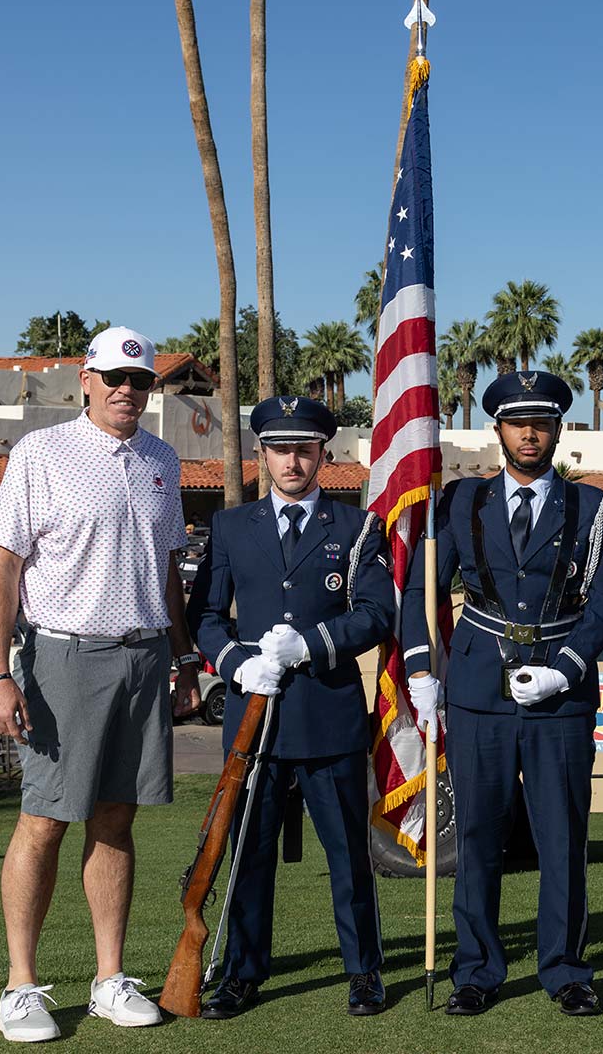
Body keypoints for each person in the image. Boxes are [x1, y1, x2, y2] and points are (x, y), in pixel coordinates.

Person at [0, 327, 202, 1042]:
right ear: (85, 377)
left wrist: (185, 656)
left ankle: (109, 979)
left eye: (139, 382)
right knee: (44, 820)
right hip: (63, 658)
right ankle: (20, 986)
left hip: (143, 660)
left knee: (116, 818)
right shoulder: (40, 453)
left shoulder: (163, 459)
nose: (126, 391)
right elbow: (4, 568)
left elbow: (167, 571)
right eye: (114, 378)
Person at [400, 371, 603, 1018]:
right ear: (497, 429)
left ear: (559, 429)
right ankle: (475, 970)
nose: (530, 434)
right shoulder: (458, 503)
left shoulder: (592, 508)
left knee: (562, 838)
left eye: (543, 422)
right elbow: (423, 590)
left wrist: (569, 666)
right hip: (476, 687)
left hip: (560, 689)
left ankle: (566, 969)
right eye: (517, 423)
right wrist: (421, 671)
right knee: (477, 836)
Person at [189, 396, 396, 1020]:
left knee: (350, 858)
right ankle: (241, 972)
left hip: (328, 714)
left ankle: (363, 972)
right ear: (263, 456)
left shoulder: (357, 526)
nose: (292, 461)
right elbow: (203, 617)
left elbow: (378, 613)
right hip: (255, 719)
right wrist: (234, 663)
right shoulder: (230, 527)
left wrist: (311, 644)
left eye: (305, 449)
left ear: (323, 456)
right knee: (248, 853)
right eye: (281, 450)